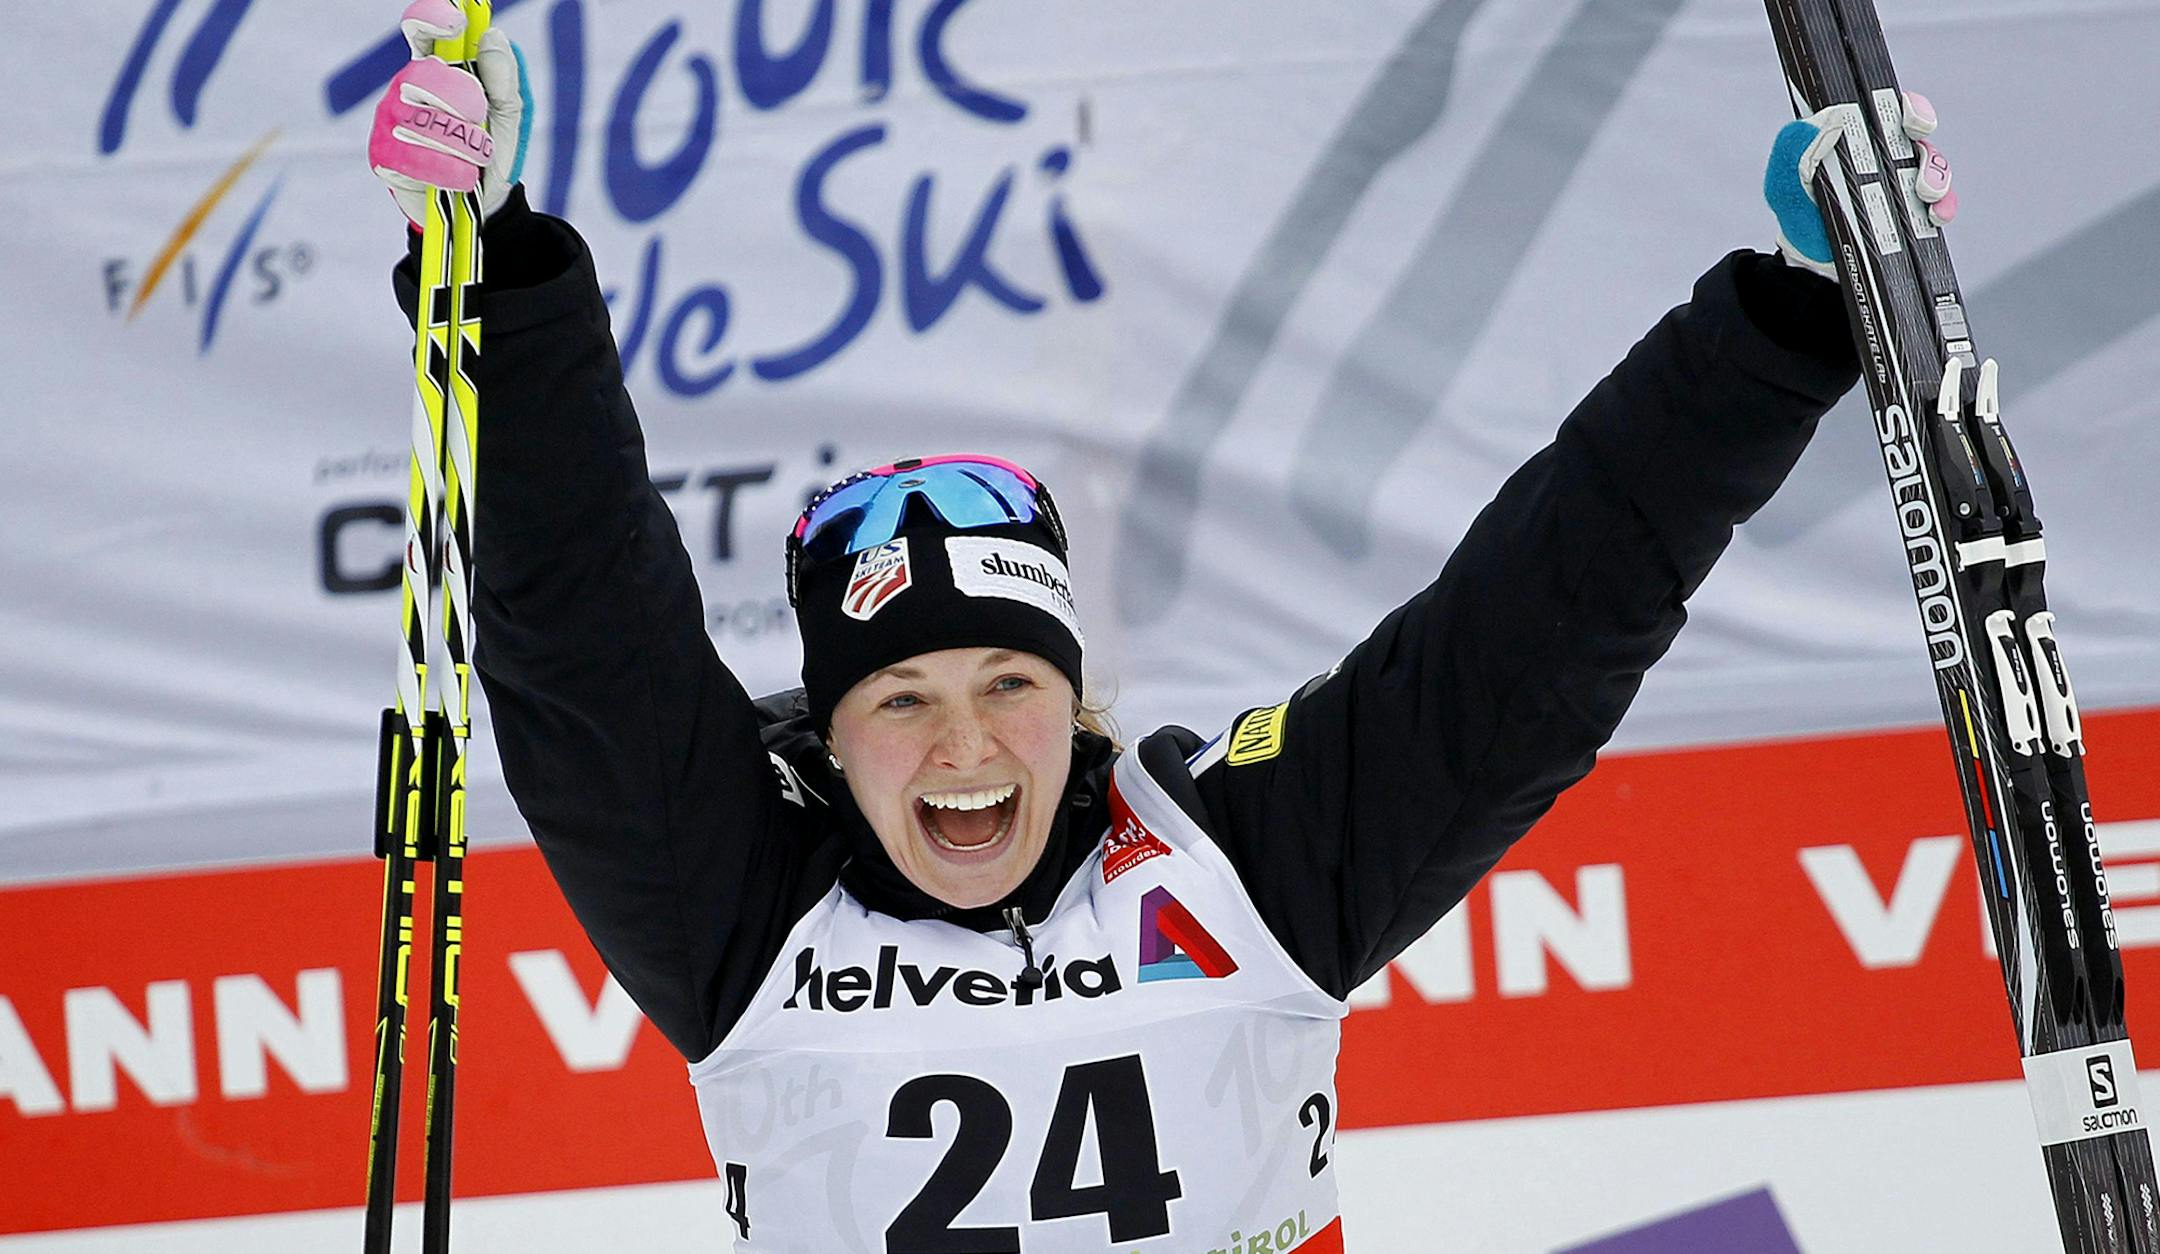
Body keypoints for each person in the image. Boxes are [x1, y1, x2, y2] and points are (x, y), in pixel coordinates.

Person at [370, 3, 1952, 1249]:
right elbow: (583, 627)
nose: (968, 743)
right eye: (901, 700)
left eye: (1008, 679)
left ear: (1079, 693)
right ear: (828, 737)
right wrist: (496, 275)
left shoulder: (1247, 858)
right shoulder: (737, 904)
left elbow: (1536, 628)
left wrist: (1791, 313)